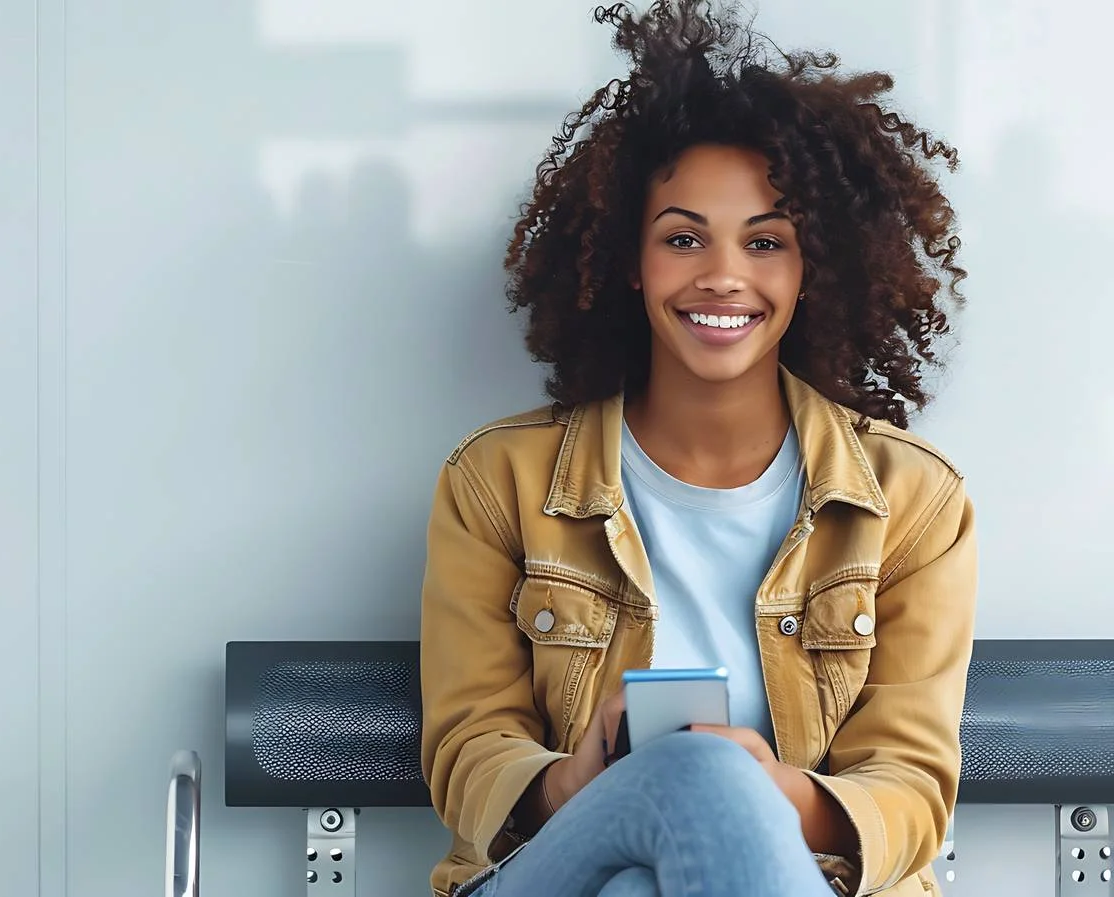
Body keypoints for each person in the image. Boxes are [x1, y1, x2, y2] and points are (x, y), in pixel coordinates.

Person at [417, 2, 977, 895]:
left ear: (808, 269)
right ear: (630, 261)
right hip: (550, 872)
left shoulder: (913, 502)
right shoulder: (497, 483)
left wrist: (765, 791)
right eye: (684, 238)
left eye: (766, 242)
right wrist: (584, 778)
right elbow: (467, 749)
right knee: (680, 791)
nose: (724, 274)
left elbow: (909, 789)